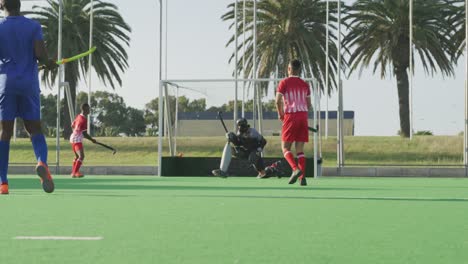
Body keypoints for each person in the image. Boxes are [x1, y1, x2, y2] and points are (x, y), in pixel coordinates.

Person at [0, 0, 57, 194]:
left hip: (6, 84)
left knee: (4, 134)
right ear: (19, 4)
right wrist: (50, 63)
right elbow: (41, 55)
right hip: (28, 84)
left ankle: (3, 183)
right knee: (34, 129)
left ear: (2, 5)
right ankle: (41, 161)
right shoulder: (33, 26)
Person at [275, 59, 312, 186]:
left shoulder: (284, 82)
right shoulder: (305, 84)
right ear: (299, 69)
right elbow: (309, 104)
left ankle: (295, 169)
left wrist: (280, 114)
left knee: (285, 148)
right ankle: (302, 178)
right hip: (303, 116)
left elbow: (278, 101)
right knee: (300, 150)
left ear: (289, 69)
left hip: (291, 116)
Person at [212, 118, 283, 178]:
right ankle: (223, 171)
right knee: (231, 149)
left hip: (255, 151)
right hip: (246, 152)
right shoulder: (239, 133)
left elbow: (263, 141)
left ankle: (274, 167)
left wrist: (259, 149)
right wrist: (232, 138)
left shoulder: (253, 132)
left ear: (246, 125)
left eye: (242, 125)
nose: (240, 127)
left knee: (262, 173)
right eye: (239, 126)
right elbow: (238, 144)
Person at [70, 103, 97, 178]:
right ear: (84, 109)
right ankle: (74, 173)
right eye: (88, 109)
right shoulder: (84, 119)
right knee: (81, 156)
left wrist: (76, 132)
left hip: (73, 138)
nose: (89, 110)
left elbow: (72, 125)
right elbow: (84, 133)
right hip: (77, 139)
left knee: (77, 156)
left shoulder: (78, 116)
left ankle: (75, 172)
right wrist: (92, 140)